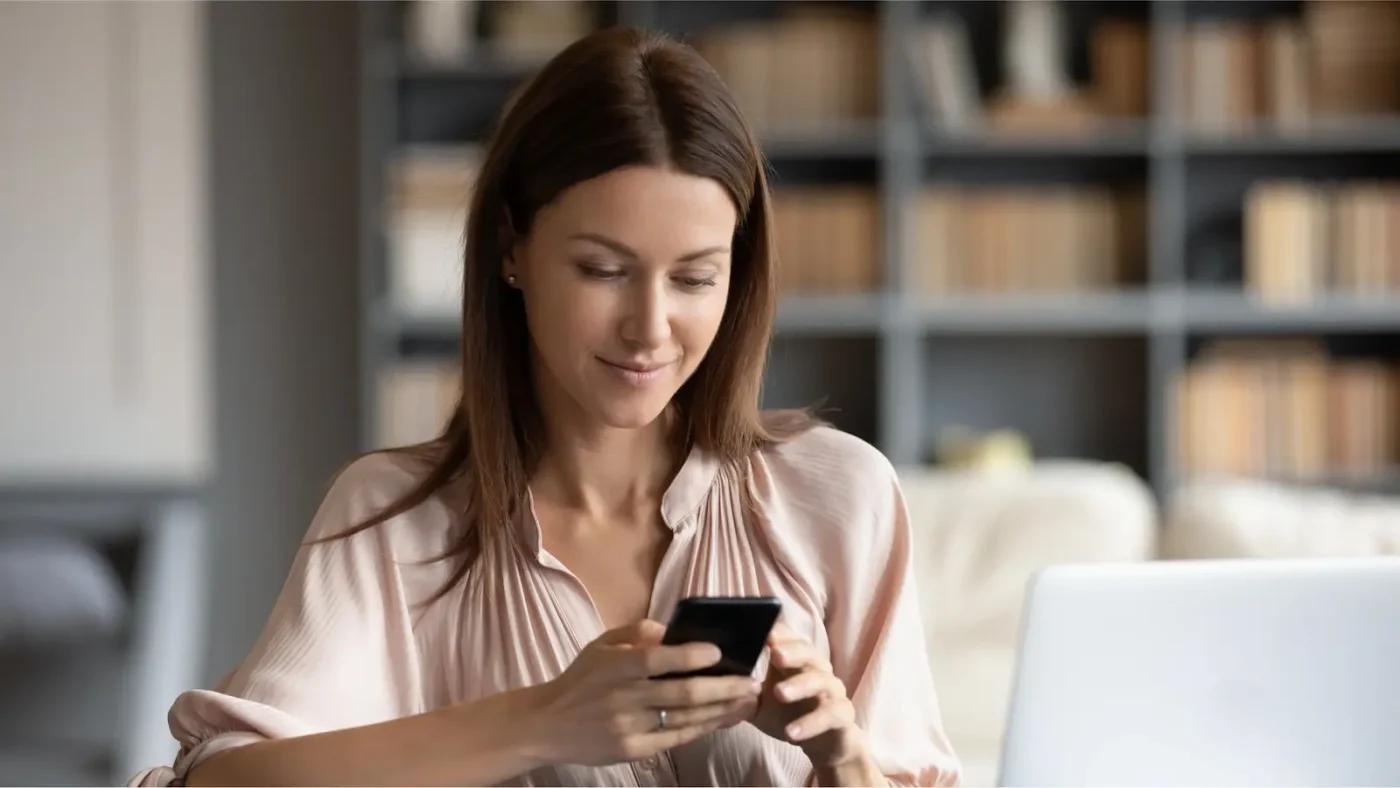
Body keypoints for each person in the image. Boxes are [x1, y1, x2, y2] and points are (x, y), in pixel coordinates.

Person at [131, 26, 960, 788]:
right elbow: (219, 782)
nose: (649, 328)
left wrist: (842, 754)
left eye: (696, 278)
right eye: (603, 270)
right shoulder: (394, 522)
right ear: (511, 250)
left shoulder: (838, 496)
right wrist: (543, 720)